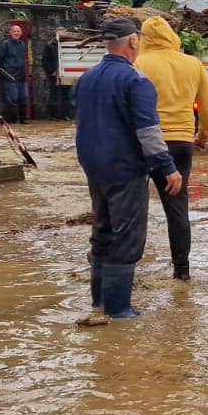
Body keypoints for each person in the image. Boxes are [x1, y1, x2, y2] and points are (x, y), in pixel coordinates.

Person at [74, 18, 183, 319]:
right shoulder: (136, 81)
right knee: (127, 237)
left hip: (95, 170)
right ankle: (119, 309)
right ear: (134, 42)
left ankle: (98, 304)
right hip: (126, 170)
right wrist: (168, 168)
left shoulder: (86, 78)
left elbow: (84, 123)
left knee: (102, 232)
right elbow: (148, 132)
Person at [134, 15, 208, 280]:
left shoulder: (138, 62)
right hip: (182, 143)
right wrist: (203, 136)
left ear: (144, 38)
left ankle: (126, 268)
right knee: (178, 209)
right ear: (172, 36)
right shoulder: (193, 64)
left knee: (134, 207)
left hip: (144, 144)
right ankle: (181, 271)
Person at [0, 23, 29, 123]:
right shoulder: (5, 44)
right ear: (10, 33)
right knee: (12, 99)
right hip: (9, 75)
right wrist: (3, 71)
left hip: (21, 76)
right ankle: (14, 120)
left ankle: (23, 119)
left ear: (21, 33)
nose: (16, 33)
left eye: (18, 31)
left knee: (24, 98)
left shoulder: (22, 44)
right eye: (14, 31)